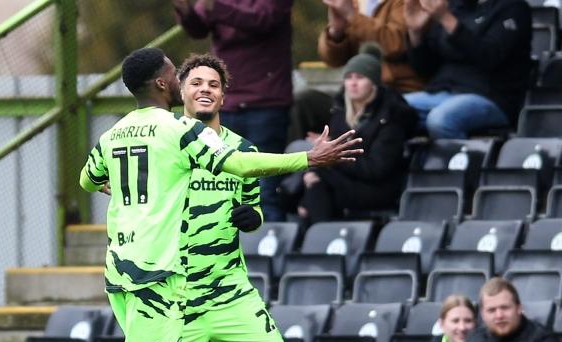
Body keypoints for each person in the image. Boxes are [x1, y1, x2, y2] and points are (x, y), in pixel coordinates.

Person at [54, 47, 362, 342]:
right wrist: (309, 160)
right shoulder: (180, 137)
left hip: (223, 285)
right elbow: (228, 167)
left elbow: (89, 177)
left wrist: (250, 216)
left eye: (212, 83)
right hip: (174, 284)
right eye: (190, 80)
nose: (200, 88)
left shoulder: (220, 145)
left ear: (223, 93)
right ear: (171, 86)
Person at [172, 0, 294, 222]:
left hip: (265, 104)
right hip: (227, 105)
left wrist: (215, 7)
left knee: (264, 190)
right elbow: (198, 28)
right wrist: (185, 9)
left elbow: (263, 20)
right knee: (219, 186)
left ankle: (267, 251)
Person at [296, 46, 417, 224]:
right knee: (309, 176)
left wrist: (336, 154)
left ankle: (315, 241)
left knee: (316, 182)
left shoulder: (391, 116)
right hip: (347, 181)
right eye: (349, 78)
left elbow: (377, 169)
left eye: (360, 78)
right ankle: (316, 239)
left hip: (378, 189)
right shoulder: (340, 110)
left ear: (374, 82)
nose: (353, 83)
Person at [291, 0, 426, 139]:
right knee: (303, 101)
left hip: (398, 93)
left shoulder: (404, 3)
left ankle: (337, 148)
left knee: (373, 111)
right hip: (354, 95)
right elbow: (332, 60)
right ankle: (303, 157)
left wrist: (352, 16)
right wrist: (336, 32)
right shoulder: (356, 3)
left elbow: (395, 45)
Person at [402, 0, 532, 139]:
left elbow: (489, 56)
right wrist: (415, 32)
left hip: (490, 96)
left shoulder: (513, 7)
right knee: (391, 109)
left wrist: (446, 19)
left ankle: (456, 160)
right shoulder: (454, 6)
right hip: (442, 92)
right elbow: (425, 69)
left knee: (440, 120)